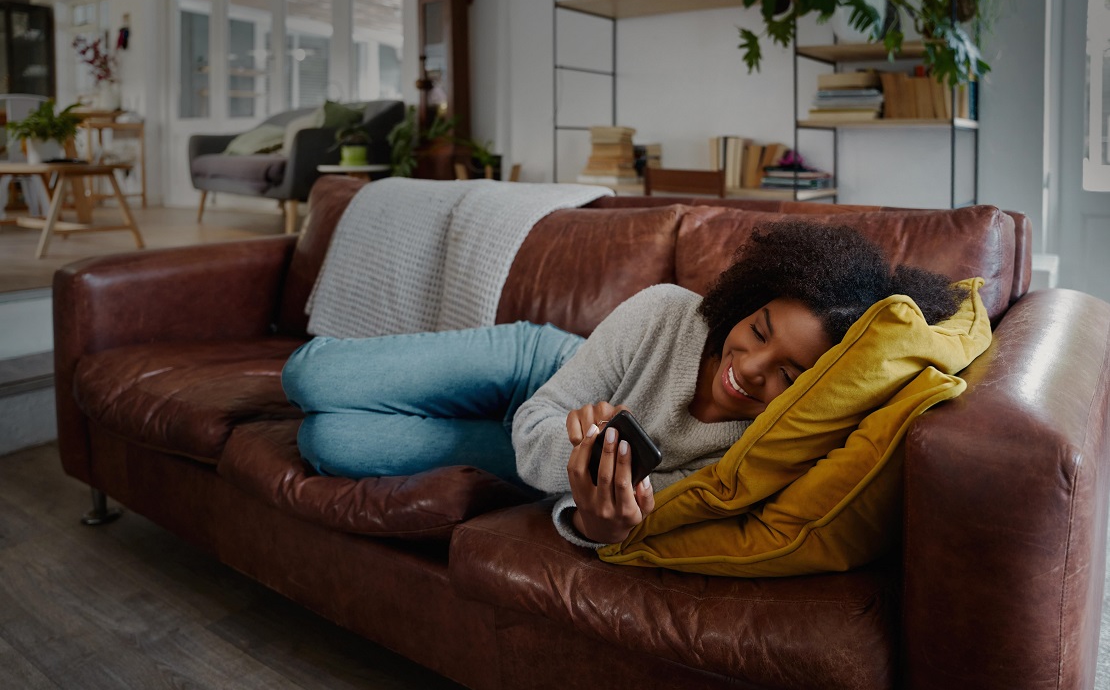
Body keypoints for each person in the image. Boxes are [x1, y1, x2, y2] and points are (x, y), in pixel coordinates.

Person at [282, 221, 966, 547]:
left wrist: (592, 517)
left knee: (331, 438)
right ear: (747, 301)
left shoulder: (751, 457)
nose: (751, 369)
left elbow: (599, 506)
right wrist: (560, 440)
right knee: (310, 375)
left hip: (539, 454)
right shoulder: (667, 311)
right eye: (758, 331)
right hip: (539, 367)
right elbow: (548, 410)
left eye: (790, 375)